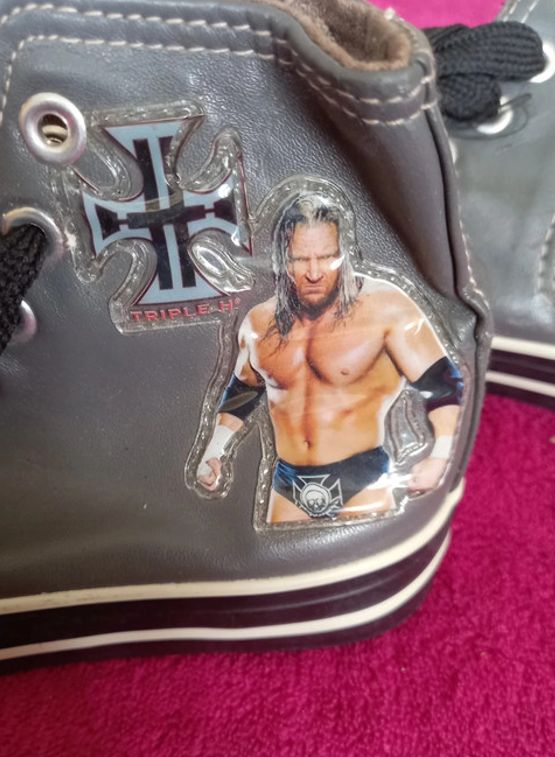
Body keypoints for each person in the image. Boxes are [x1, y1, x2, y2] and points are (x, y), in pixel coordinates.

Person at [196, 192, 463, 523]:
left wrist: (440, 455)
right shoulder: (259, 322)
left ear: (344, 254)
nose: (314, 272)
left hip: (362, 479)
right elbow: (243, 393)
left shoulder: (386, 309)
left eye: (326, 257)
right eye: (300, 259)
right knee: (282, 556)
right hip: (288, 483)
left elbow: (444, 385)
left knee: (371, 553)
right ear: (283, 260)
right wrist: (215, 450)